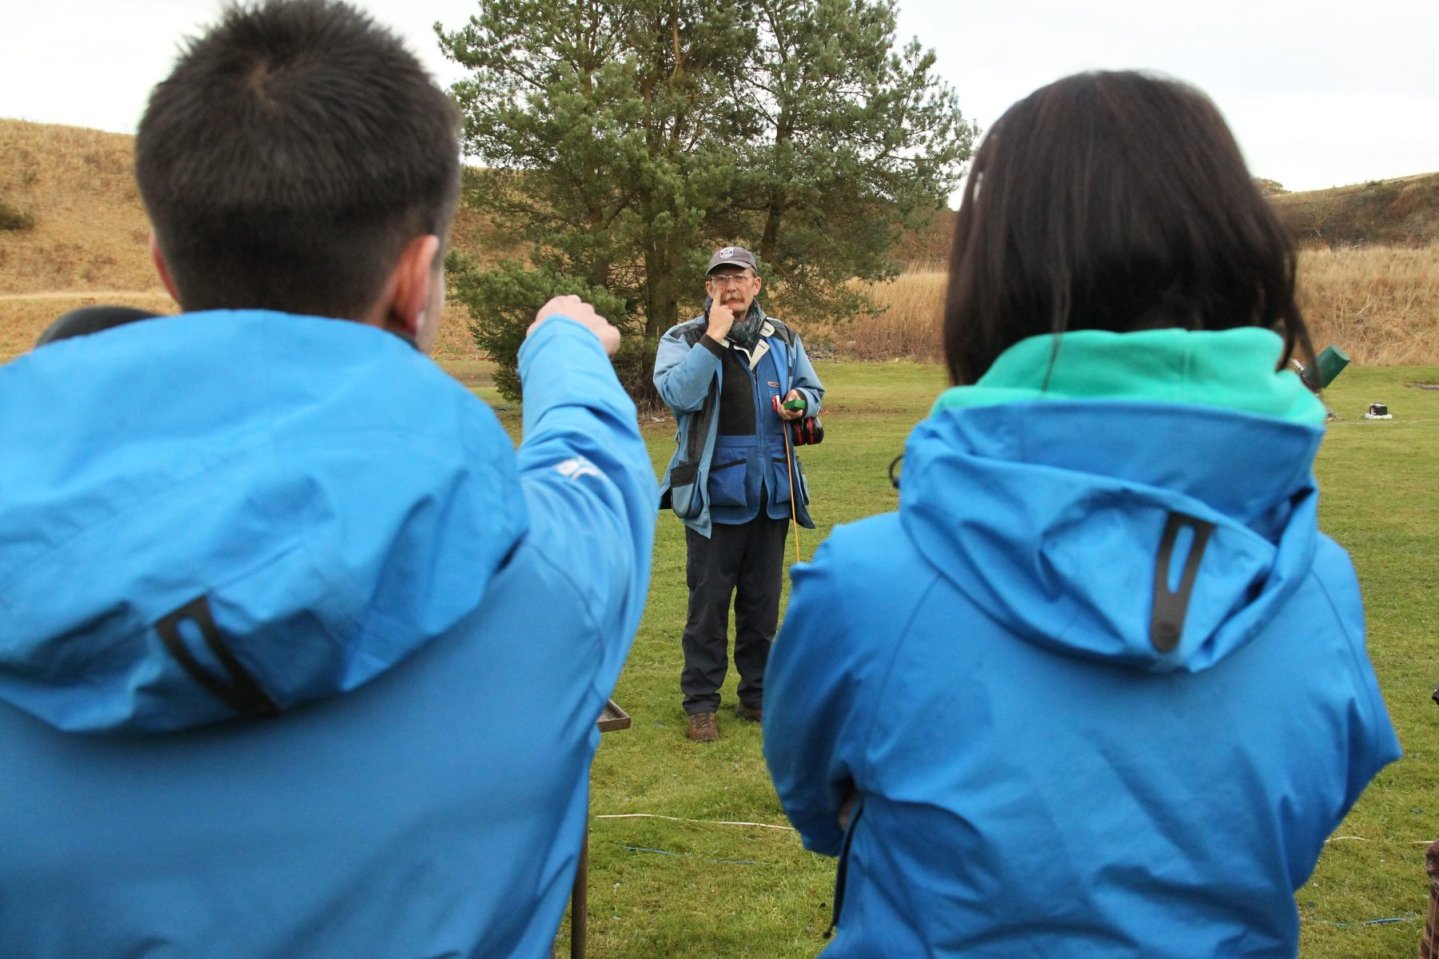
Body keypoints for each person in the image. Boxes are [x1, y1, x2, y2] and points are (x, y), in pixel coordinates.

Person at [0, 2, 655, 957]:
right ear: (415, 277)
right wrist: (561, 343)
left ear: (163, 266)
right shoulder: (546, 583)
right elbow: (595, 470)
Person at [763, 71, 1400, 957]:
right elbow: (1295, 825)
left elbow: (819, 808)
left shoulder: (866, 584)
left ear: (996, 272)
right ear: (1236, 253)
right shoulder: (1321, 585)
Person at [654, 245, 824, 741]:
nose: (731, 286)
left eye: (740, 276)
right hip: (713, 496)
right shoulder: (683, 337)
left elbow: (812, 391)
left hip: (772, 492)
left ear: (757, 284)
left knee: (762, 605)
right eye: (721, 278)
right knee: (707, 608)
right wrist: (713, 339)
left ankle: (759, 697)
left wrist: (799, 402)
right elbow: (678, 396)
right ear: (709, 289)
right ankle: (701, 702)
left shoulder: (785, 338)